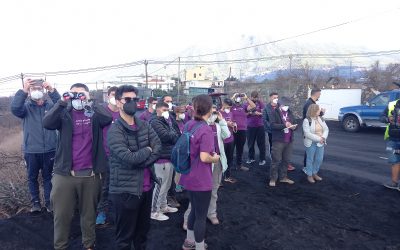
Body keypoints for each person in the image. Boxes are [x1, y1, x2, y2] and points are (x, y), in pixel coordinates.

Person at [43, 83, 112, 250]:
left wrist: (91, 102)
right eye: (74, 94)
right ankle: (60, 246)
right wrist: (61, 102)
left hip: (90, 174)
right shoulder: (64, 114)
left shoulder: (94, 115)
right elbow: (47, 123)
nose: (78, 97)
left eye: (81, 94)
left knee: (89, 215)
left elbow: (107, 119)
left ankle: (88, 245)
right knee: (62, 215)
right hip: (65, 174)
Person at [107, 85, 161, 250]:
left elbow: (157, 146)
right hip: (125, 192)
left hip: (146, 189)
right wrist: (147, 150)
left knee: (142, 235)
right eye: (127, 99)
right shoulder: (115, 130)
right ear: (118, 102)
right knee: (124, 238)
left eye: (135, 99)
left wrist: (141, 159)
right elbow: (129, 159)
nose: (132, 103)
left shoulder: (144, 124)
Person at [11, 79, 60, 213]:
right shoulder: (25, 108)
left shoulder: (50, 106)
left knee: (48, 177)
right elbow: (15, 108)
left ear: (43, 91)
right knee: (32, 178)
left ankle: (49, 204)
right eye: (33, 89)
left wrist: (52, 90)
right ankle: (36, 204)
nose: (36, 91)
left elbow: (63, 106)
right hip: (31, 150)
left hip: (50, 149)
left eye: (39, 88)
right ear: (30, 91)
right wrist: (23, 91)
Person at [180, 94, 220, 250]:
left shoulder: (189, 124)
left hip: (188, 175)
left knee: (194, 211)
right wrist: (215, 158)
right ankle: (199, 246)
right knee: (201, 216)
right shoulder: (206, 129)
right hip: (201, 179)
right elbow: (204, 157)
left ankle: (189, 242)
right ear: (209, 109)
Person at [183, 104, 231, 230]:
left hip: (217, 162)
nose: (213, 115)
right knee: (197, 194)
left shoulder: (217, 125)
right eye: (212, 112)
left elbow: (227, 136)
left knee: (214, 191)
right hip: (203, 164)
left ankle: (211, 213)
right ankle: (188, 218)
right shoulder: (197, 125)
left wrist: (222, 121)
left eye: (215, 113)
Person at [149, 101, 181, 221]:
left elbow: (178, 134)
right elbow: (166, 136)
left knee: (167, 185)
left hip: (169, 156)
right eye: (163, 110)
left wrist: (172, 132)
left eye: (167, 110)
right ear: (156, 109)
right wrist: (173, 134)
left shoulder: (169, 120)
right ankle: (154, 211)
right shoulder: (154, 122)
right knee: (159, 185)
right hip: (160, 158)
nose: (166, 112)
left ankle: (163, 206)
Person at [96, 86, 120, 226]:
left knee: (119, 186)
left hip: (121, 157)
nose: (114, 97)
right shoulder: (102, 113)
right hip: (106, 155)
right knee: (104, 187)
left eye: (117, 95)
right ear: (108, 96)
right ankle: (101, 212)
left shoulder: (124, 113)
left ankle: (119, 212)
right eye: (112, 94)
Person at [269, 97, 298, 187]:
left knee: (286, 160)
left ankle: (283, 177)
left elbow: (295, 122)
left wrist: (294, 127)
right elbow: (272, 125)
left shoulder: (290, 112)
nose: (287, 107)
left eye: (288, 105)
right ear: (280, 105)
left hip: (289, 140)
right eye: (285, 105)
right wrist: (284, 125)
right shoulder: (274, 112)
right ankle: (273, 178)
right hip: (278, 141)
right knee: (276, 160)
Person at [303, 104, 329, 183]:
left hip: (321, 142)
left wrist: (323, 138)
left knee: (319, 159)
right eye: (318, 110)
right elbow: (307, 133)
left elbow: (326, 129)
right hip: (311, 143)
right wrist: (319, 139)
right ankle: (309, 175)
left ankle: (314, 173)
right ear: (314, 111)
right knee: (310, 159)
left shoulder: (321, 118)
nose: (320, 111)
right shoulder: (307, 120)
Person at [231, 93, 255, 171]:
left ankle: (239, 165)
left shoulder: (244, 106)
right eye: (237, 97)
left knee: (240, 148)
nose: (238, 99)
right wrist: (233, 97)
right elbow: (223, 106)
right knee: (230, 148)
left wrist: (246, 97)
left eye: (239, 97)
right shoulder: (231, 106)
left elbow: (253, 106)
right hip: (232, 130)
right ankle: (229, 165)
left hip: (242, 130)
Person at [302, 88, 325, 169]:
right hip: (310, 131)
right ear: (317, 94)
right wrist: (322, 113)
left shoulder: (311, 102)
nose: (320, 96)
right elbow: (311, 117)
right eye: (320, 94)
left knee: (312, 151)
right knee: (309, 151)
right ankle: (306, 168)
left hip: (313, 131)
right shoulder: (309, 104)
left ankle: (309, 169)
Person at [381, 99, 400, 190]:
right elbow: (381, 117)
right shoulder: (392, 104)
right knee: (394, 161)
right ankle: (394, 183)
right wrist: (388, 119)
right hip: (393, 139)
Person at [245, 91, 267, 166]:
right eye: (253, 97)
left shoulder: (260, 103)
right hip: (250, 126)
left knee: (261, 144)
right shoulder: (246, 103)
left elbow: (264, 112)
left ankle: (262, 159)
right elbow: (244, 114)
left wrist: (258, 113)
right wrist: (250, 113)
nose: (255, 99)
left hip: (260, 126)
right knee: (250, 143)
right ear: (251, 97)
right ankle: (251, 158)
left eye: (256, 97)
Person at [221, 98, 237, 184]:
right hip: (222, 140)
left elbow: (232, 121)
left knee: (229, 158)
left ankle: (227, 176)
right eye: (227, 107)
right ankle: (219, 178)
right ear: (223, 104)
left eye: (230, 107)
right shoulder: (218, 113)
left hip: (230, 139)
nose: (229, 109)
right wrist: (225, 123)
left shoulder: (230, 113)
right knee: (221, 159)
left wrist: (233, 124)